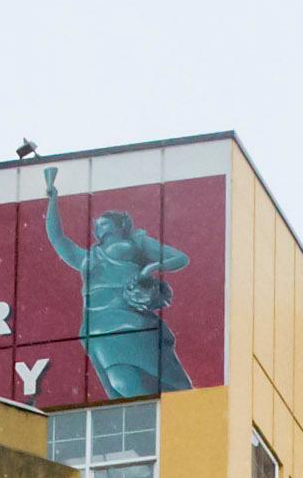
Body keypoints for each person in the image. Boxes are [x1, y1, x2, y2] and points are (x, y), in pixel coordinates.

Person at [34, 163, 190, 399]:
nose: (99, 225)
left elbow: (180, 258)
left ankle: (174, 418)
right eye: (97, 224)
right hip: (98, 327)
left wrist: (152, 267)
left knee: (157, 385)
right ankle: (148, 425)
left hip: (131, 322)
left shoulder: (136, 241)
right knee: (122, 384)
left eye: (105, 222)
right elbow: (57, 238)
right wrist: (53, 200)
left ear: (120, 225)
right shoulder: (86, 258)